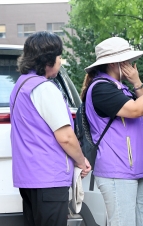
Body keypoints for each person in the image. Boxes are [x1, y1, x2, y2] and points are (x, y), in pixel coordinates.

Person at [81, 37, 143, 226]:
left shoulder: (119, 88)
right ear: (113, 63)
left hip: (137, 170)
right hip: (116, 171)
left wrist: (137, 81)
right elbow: (136, 110)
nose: (131, 64)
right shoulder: (101, 88)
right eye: (126, 60)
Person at [10, 31, 91, 226]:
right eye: (59, 56)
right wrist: (81, 161)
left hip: (28, 177)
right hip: (49, 178)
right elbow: (65, 137)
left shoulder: (20, 85)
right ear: (48, 60)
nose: (60, 61)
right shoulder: (44, 88)